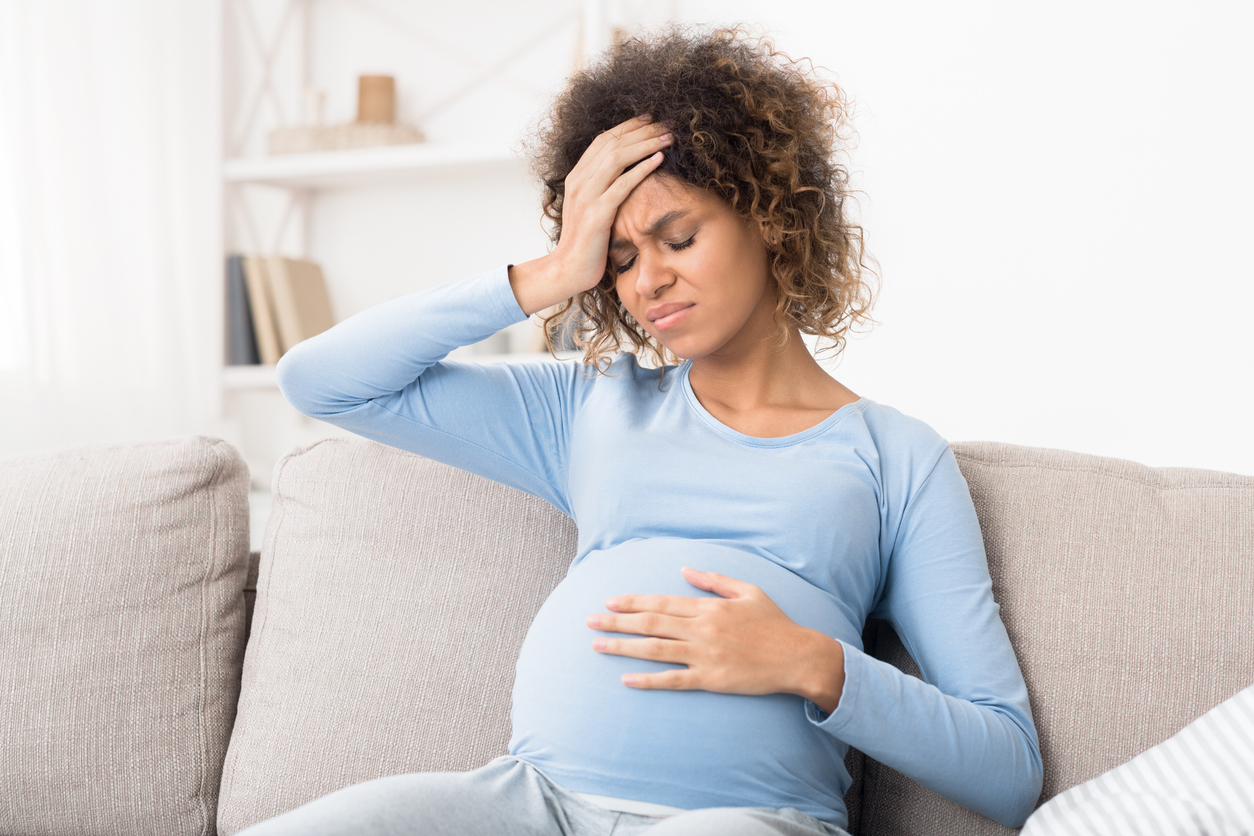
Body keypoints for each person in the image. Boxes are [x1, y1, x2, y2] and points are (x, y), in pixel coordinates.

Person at [244, 24, 1044, 836]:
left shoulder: (896, 457)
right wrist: (552, 274)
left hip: (744, 821)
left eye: (679, 237)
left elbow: (1008, 768)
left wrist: (814, 664)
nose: (649, 279)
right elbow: (323, 382)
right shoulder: (593, 406)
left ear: (769, 217)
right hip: (531, 805)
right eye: (621, 257)